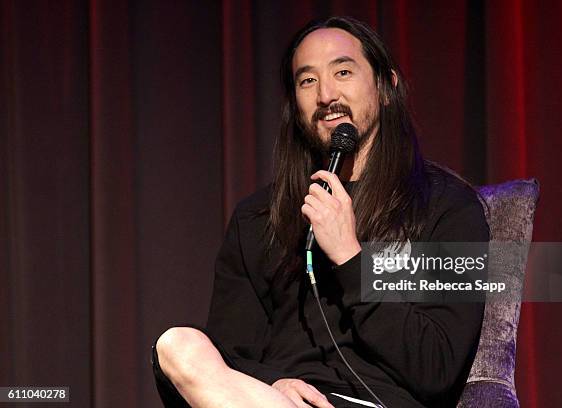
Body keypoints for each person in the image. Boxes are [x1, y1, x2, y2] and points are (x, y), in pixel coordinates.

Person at [152, 16, 489, 408]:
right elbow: (230, 353)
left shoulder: (446, 206)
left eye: (343, 71)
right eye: (307, 80)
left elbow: (437, 367)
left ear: (385, 87)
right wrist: (271, 382)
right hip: (270, 400)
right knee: (178, 345)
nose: (326, 94)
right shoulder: (259, 217)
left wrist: (350, 258)